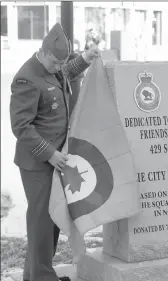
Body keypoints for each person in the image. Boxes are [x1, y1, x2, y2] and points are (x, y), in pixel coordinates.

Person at [10, 23, 100, 281]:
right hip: (38, 162)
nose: (60, 68)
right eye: (57, 63)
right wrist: (49, 153)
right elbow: (21, 126)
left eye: (62, 63)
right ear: (45, 52)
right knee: (41, 222)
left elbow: (66, 74)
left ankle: (35, 274)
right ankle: (42, 277)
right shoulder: (26, 77)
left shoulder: (53, 68)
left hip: (56, 159)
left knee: (52, 220)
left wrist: (84, 58)